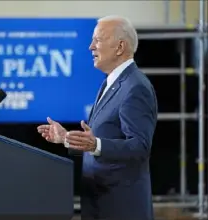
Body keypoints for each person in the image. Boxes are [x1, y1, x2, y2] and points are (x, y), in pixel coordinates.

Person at [37, 15, 158, 220]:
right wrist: (67, 138)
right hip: (98, 202)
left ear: (120, 47)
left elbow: (140, 147)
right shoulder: (109, 83)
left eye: (98, 40)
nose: (90, 47)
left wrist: (96, 145)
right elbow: (102, 139)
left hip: (120, 207)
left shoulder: (136, 87)